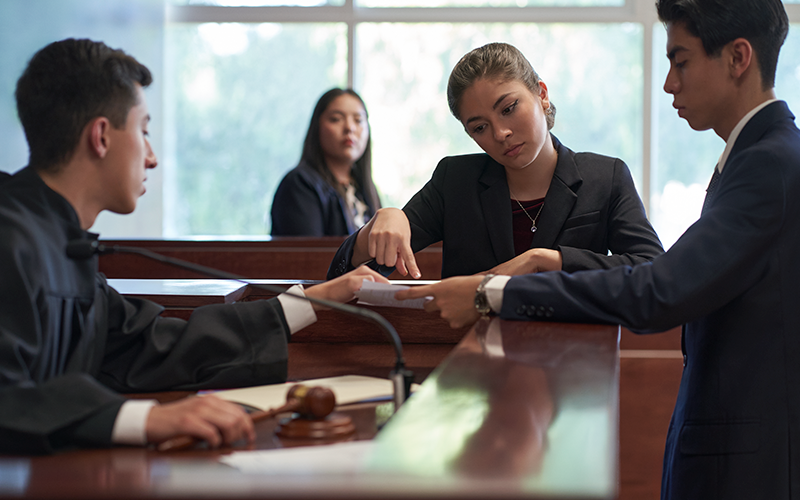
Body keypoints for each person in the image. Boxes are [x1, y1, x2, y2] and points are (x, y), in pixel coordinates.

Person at [397, 0, 799, 498]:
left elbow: (660, 287)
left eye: (680, 61)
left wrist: (491, 293)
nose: (669, 82)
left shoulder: (770, 164)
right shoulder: (757, 158)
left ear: (738, 58)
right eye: (478, 126)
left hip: (748, 457)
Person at [0, 38, 388, 455]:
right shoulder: (12, 237)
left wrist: (309, 302)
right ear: (101, 136)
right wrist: (144, 419)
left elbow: (151, 345)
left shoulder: (58, 240)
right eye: (143, 131)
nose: (151, 157)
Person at [328, 43, 663, 281]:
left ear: (542, 94)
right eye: (479, 127)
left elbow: (652, 270)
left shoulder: (606, 177)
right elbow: (350, 273)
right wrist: (382, 222)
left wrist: (545, 261)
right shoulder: (455, 181)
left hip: (572, 359)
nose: (500, 133)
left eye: (508, 108)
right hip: (468, 365)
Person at [271, 88, 381, 236]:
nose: (350, 128)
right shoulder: (300, 185)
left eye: (358, 120)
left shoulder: (364, 188)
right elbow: (308, 256)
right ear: (317, 127)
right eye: (336, 119)